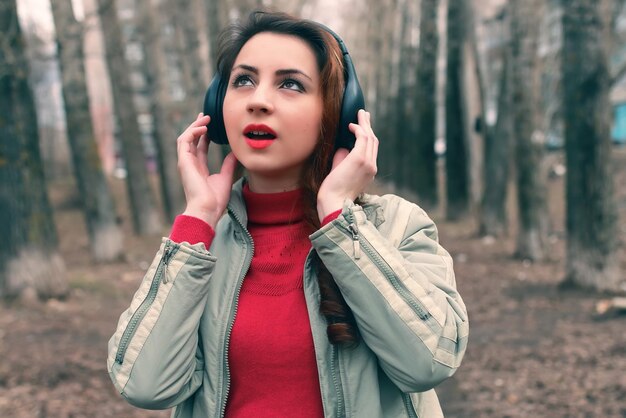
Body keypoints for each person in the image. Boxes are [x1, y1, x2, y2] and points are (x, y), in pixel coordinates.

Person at [107, 10, 468, 418]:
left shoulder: (396, 226)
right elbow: (144, 385)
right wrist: (198, 220)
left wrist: (339, 221)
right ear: (216, 106)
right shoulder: (203, 244)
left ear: (338, 113)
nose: (258, 100)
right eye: (243, 80)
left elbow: (431, 361)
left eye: (290, 84)